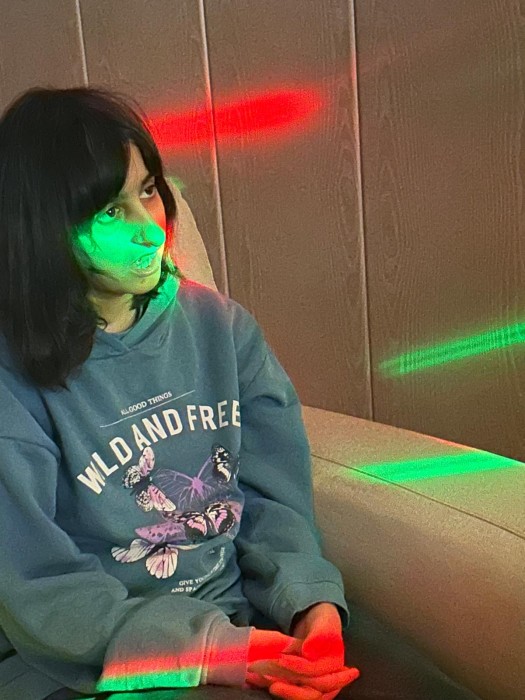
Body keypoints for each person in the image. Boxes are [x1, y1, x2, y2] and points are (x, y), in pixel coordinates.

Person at [0, 86, 357, 700]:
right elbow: (40, 587)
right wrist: (213, 652)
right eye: (110, 212)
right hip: (76, 668)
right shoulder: (12, 380)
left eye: (147, 191)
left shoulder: (220, 327)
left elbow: (274, 499)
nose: (149, 230)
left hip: (241, 630)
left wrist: (310, 604)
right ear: (42, 229)